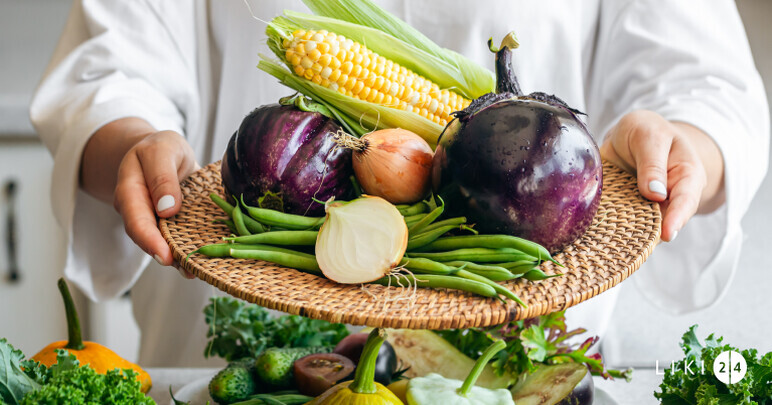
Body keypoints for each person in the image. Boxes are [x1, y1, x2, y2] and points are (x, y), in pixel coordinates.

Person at [30, 0, 769, 367]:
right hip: (246, 361)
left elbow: (704, 83)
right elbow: (110, 65)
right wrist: (130, 139)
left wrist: (682, 146)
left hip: (518, 360)